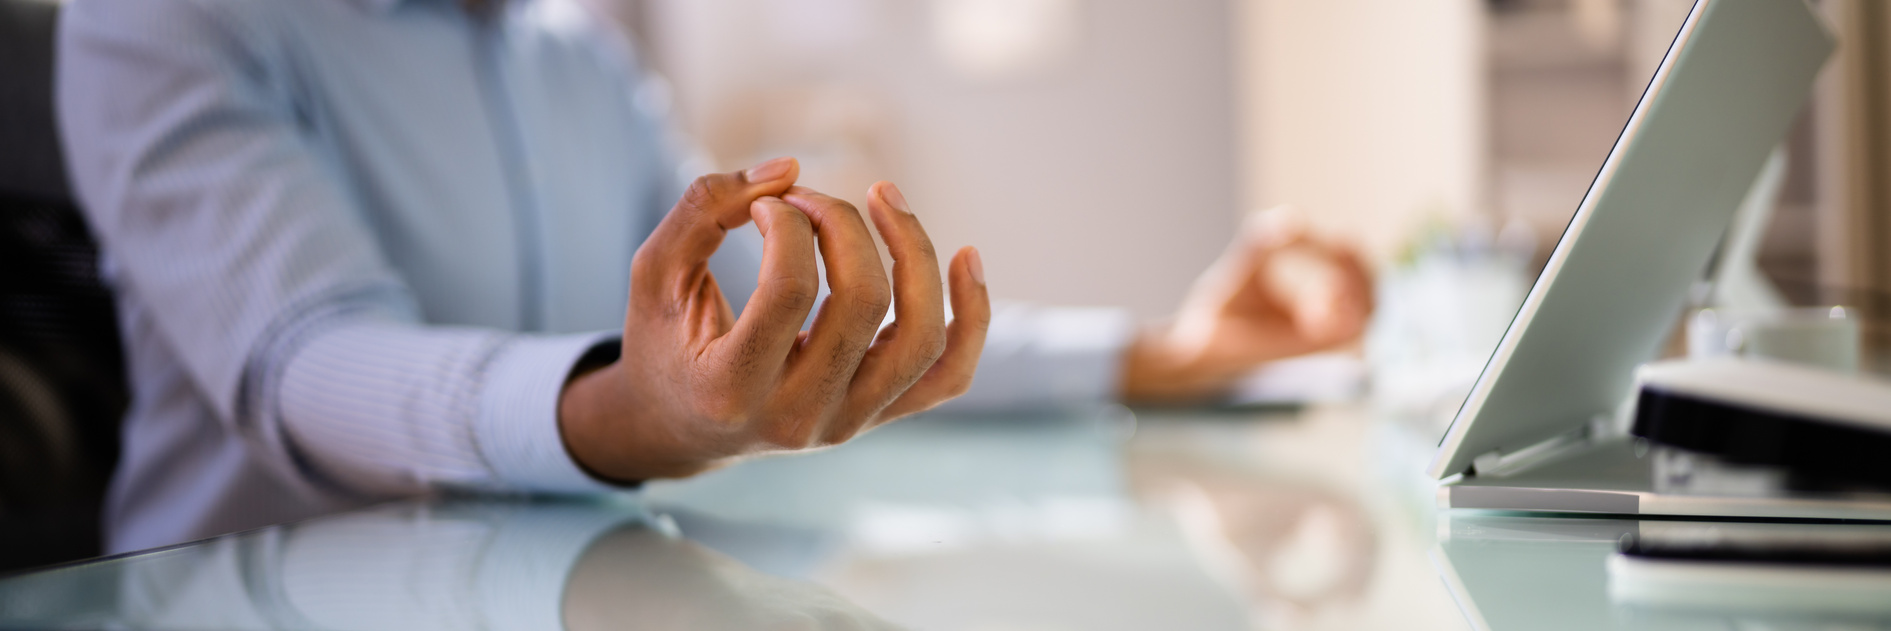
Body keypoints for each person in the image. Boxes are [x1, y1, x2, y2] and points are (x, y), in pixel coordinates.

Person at [56, 0, 1372, 553]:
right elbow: (308, 365)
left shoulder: (576, 53)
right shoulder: (165, 21)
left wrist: (1165, 354)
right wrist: (626, 413)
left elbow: (759, 325)